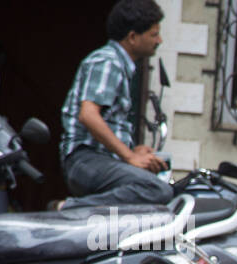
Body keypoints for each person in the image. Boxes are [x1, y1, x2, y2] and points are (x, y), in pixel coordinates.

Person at [58, 0, 172, 210]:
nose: (159, 40)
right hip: (85, 161)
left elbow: (107, 123)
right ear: (132, 37)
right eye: (154, 34)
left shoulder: (119, 64)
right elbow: (88, 115)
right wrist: (129, 157)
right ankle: (68, 208)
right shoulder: (108, 62)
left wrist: (134, 150)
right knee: (157, 190)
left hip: (98, 160)